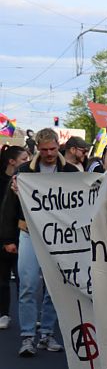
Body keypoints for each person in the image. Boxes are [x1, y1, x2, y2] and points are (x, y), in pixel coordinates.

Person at [1, 129, 80, 356]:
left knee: (55, 288)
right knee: (27, 285)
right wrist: (8, 239)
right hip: (29, 234)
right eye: (44, 150)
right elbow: (9, 207)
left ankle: (46, 333)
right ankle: (28, 336)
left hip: (59, 237)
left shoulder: (70, 172)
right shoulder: (23, 172)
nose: (49, 154)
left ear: (58, 146)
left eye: (53, 149)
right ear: (37, 148)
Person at [0, 145, 29, 332]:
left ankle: (28, 316)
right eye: (24, 159)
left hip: (22, 235)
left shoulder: (27, 180)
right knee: (2, 278)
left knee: (25, 280)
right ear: (12, 161)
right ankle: (3, 313)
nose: (28, 162)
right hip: (3, 236)